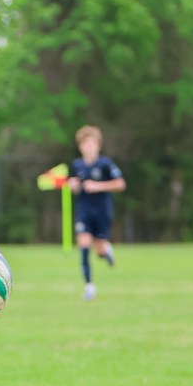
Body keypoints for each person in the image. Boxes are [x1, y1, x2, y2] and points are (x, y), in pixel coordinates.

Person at [67, 125, 125, 301]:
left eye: (92, 143)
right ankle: (89, 286)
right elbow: (73, 184)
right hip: (84, 211)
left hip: (102, 211)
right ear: (81, 146)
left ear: (98, 145)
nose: (89, 147)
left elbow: (120, 184)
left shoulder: (105, 164)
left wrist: (97, 186)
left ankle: (105, 250)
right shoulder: (76, 165)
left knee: (99, 250)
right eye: (86, 144)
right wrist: (73, 186)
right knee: (83, 245)